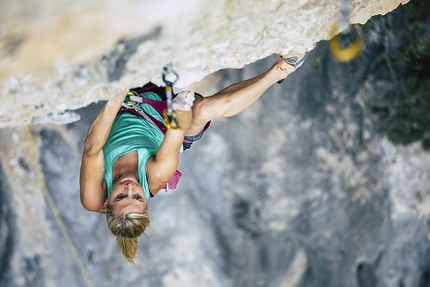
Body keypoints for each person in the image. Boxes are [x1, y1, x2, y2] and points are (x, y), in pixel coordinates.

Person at [79, 54, 308, 265]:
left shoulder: (93, 198)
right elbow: (177, 130)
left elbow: (91, 148)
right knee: (203, 110)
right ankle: (282, 69)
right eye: (137, 196)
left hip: (130, 105)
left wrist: (117, 95)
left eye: (121, 196)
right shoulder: (156, 177)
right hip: (164, 129)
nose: (130, 187)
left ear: (107, 203)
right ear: (146, 201)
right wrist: (182, 108)